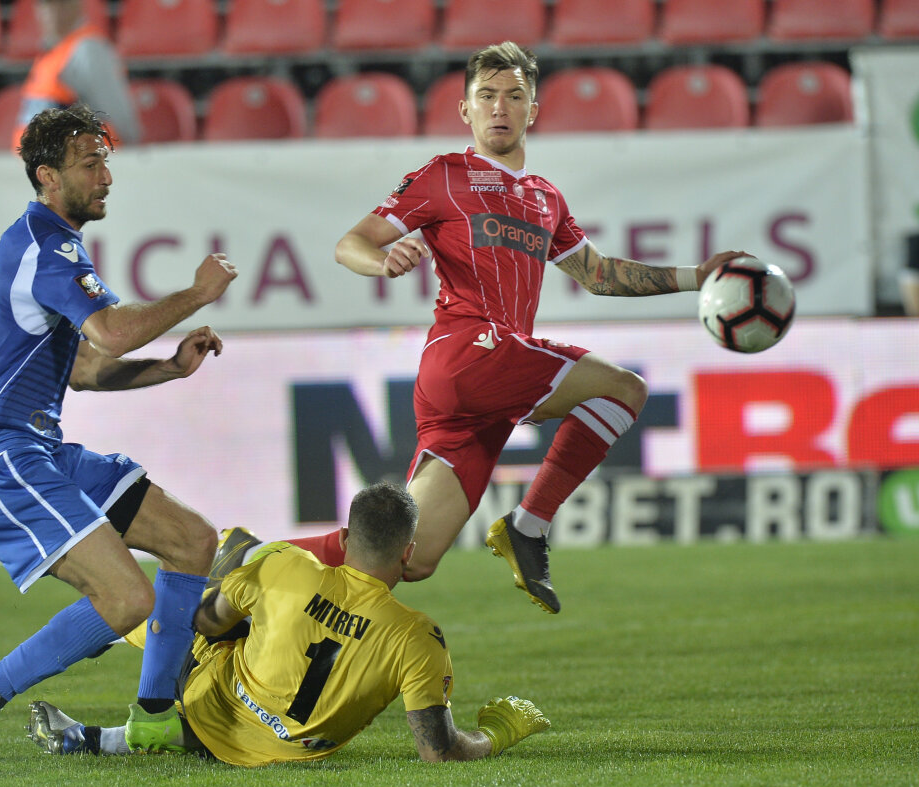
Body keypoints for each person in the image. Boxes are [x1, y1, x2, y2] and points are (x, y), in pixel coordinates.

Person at [281, 42, 748, 616]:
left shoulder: (546, 198)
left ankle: (249, 559)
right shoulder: (443, 175)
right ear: (465, 111)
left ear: (534, 110)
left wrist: (695, 276)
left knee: (410, 557)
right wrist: (383, 261)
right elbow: (349, 243)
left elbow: (599, 275)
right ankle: (528, 526)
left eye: (514, 96)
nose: (499, 107)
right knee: (624, 389)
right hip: (469, 352)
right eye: (486, 96)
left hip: (482, 390)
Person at [0, 104, 238, 768]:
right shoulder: (46, 245)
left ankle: (156, 716)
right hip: (0, 455)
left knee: (191, 541)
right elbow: (112, 331)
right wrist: (195, 293)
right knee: (127, 597)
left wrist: (169, 366)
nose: (106, 176)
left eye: (107, 160)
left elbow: (86, 368)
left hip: (38, 448)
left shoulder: (48, 244)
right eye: (89, 163)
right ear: (47, 175)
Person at [26, 483, 551, 765]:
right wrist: (497, 735)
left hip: (214, 712)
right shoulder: (419, 638)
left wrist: (230, 570)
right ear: (408, 553)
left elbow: (206, 625)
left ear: (344, 539)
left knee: (221, 570)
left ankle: (111, 616)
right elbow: (438, 752)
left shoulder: (288, 566)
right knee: (242, 581)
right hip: (288, 750)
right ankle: (93, 735)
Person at [10, 0, 143, 152]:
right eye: (46, 5)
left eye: (62, 5)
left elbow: (121, 122)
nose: (52, 13)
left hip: (79, 168)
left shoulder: (88, 50)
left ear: (77, 6)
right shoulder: (51, 53)